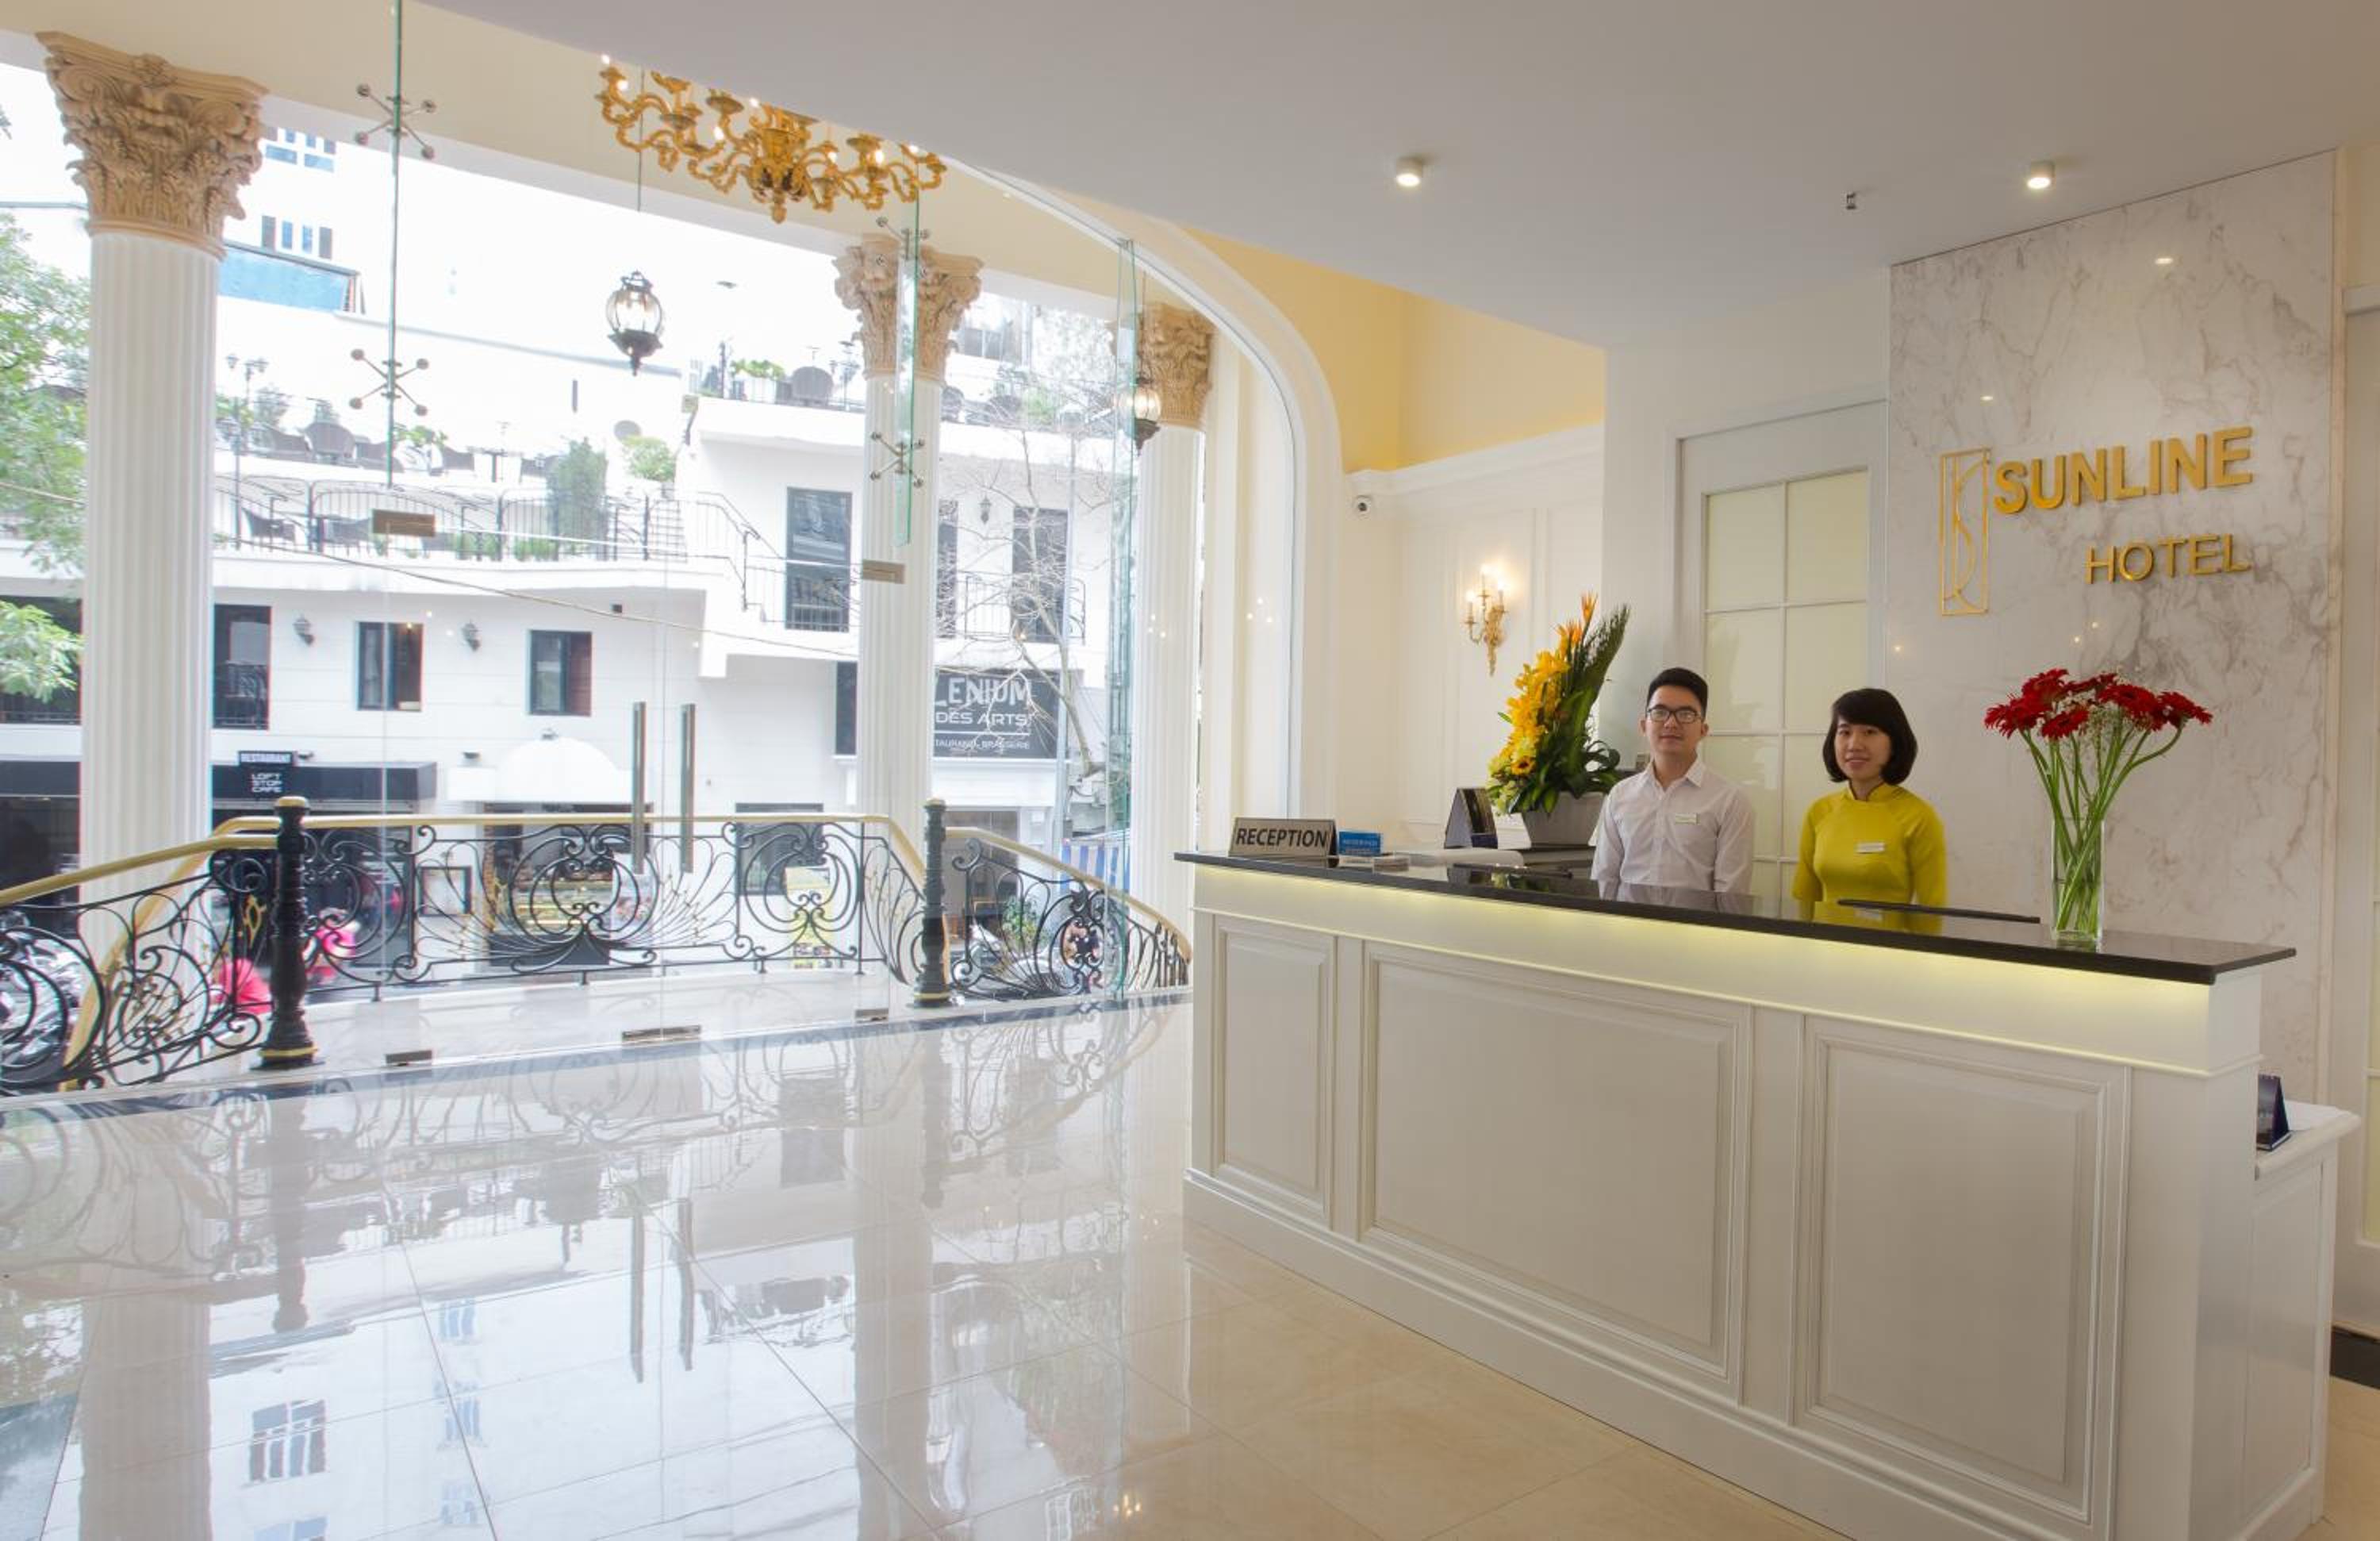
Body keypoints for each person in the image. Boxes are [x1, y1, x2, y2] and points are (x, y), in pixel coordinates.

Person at [1590, 667, 1756, 893]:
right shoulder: (1620, 796)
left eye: (1685, 714)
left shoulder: (1730, 801)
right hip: (1627, 917)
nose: (1671, 723)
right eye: (1660, 712)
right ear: (1644, 725)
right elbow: (1603, 880)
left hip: (1695, 918)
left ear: (1703, 730)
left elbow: (1730, 895)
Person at [1791, 687, 1947, 909]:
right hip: (1822, 933)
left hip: (1890, 934)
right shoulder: (1819, 811)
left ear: (1894, 743)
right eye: (1845, 732)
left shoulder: (1919, 817)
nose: (1854, 744)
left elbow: (1931, 909)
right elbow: (1804, 897)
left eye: (1870, 732)